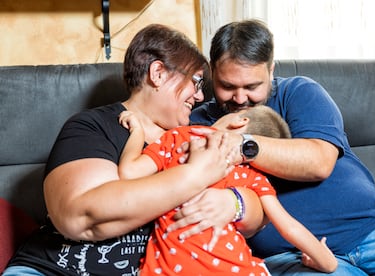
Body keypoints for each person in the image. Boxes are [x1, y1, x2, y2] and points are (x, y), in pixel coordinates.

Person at [3, 24, 257, 276]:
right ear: (158, 73)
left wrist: (235, 202)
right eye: (196, 81)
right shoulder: (92, 126)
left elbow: (257, 208)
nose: (200, 97)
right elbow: (83, 215)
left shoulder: (197, 137)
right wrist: (195, 176)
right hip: (55, 269)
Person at [190, 19, 375, 275]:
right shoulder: (198, 121)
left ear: (270, 70)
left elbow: (319, 163)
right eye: (227, 86)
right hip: (292, 255)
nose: (240, 99)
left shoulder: (298, 92)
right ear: (212, 72)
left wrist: (242, 145)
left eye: (252, 87)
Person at [118, 105, 337, 275]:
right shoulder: (252, 178)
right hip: (235, 268)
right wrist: (325, 261)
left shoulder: (179, 138)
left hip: (168, 269)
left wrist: (137, 131)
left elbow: (128, 172)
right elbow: (289, 227)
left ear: (240, 121)